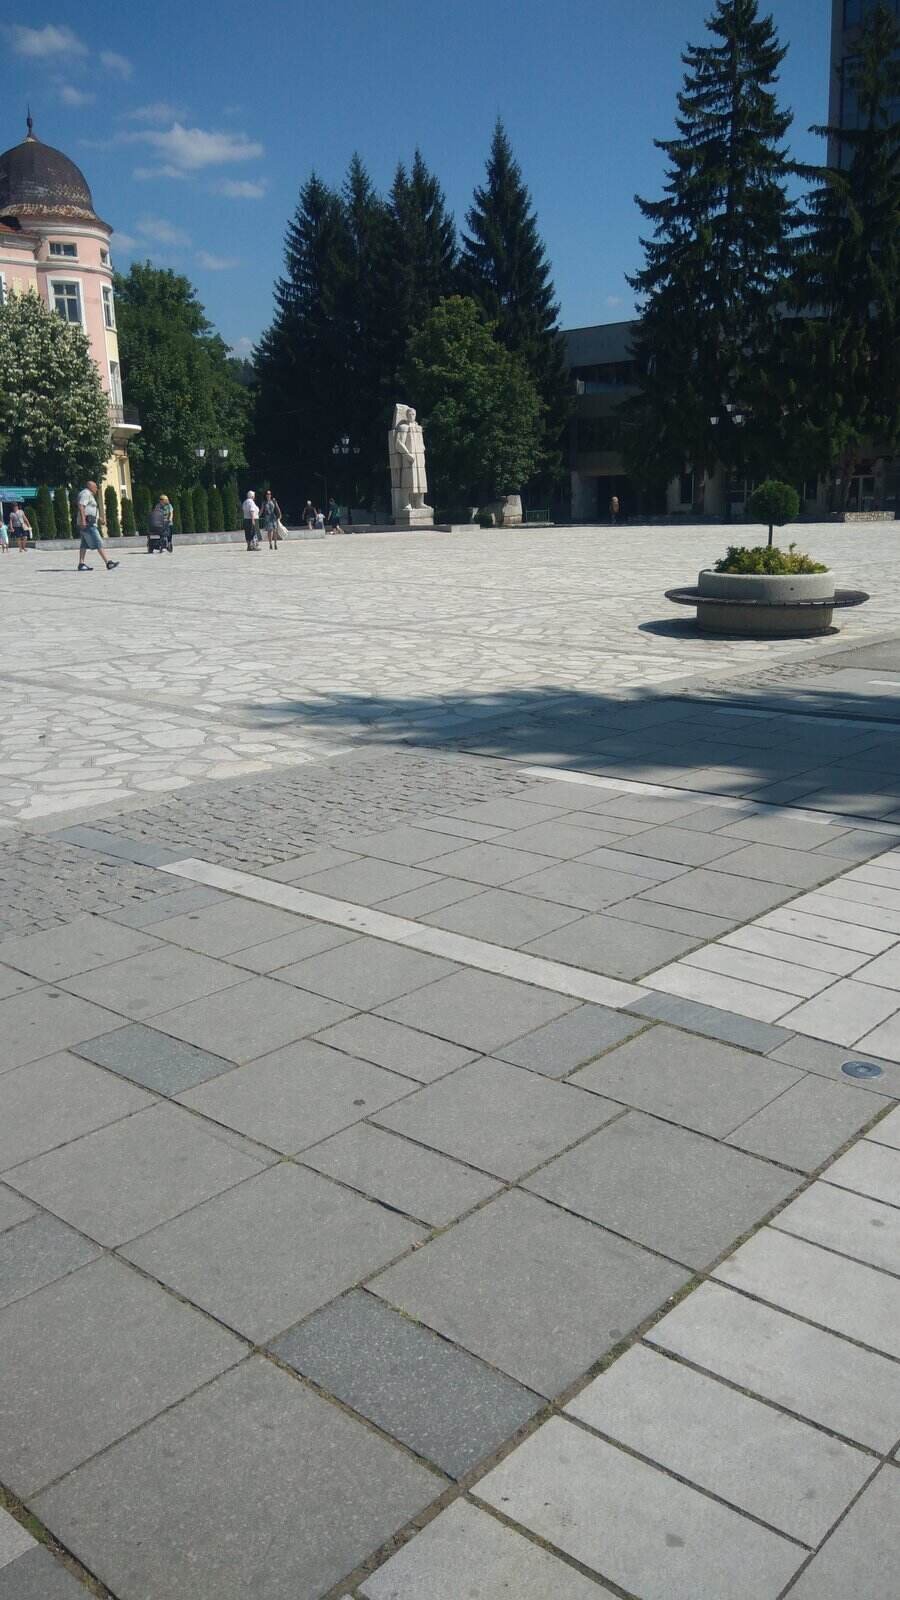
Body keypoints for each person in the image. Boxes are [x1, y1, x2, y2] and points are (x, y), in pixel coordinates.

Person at [75, 480, 119, 572]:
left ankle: (81, 564)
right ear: (90, 487)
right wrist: (83, 520)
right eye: (95, 487)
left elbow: (90, 509)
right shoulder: (86, 493)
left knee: (84, 544)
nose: (96, 489)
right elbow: (81, 506)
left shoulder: (89, 494)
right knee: (98, 542)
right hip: (88, 524)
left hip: (89, 522)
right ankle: (108, 563)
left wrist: (99, 519)